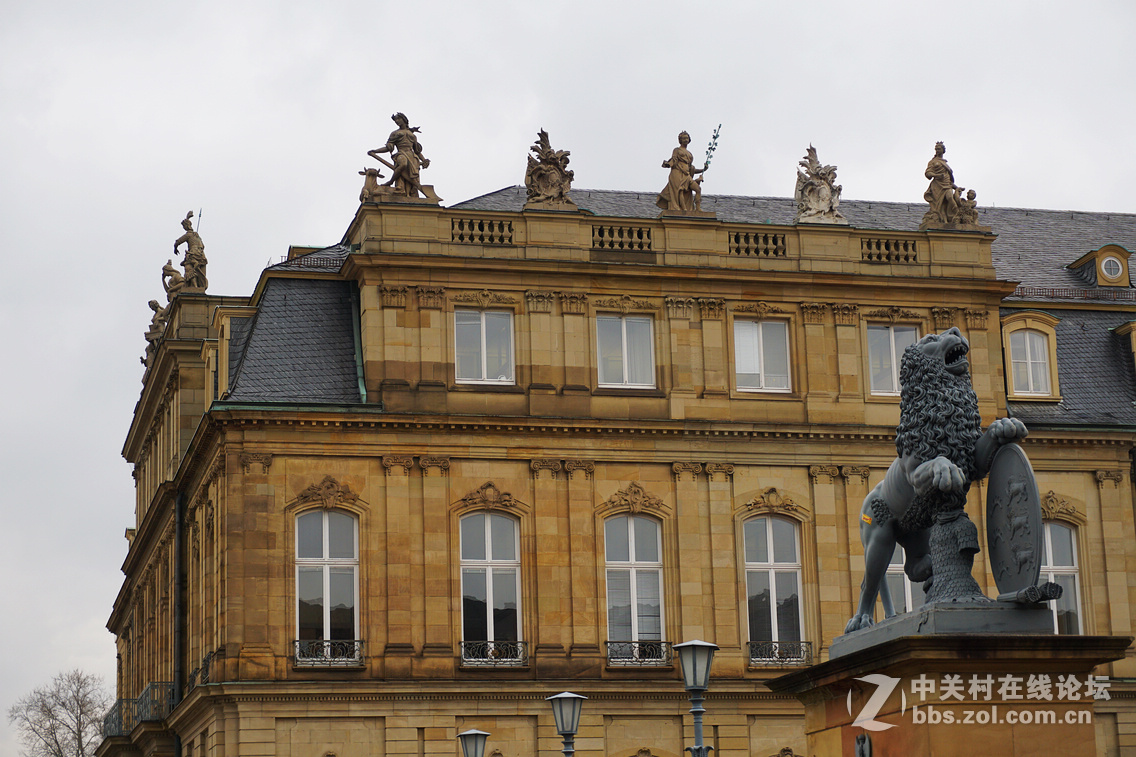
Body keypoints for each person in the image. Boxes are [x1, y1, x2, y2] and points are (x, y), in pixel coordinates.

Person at [369, 112, 430, 198]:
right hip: (401, 153)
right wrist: (375, 151)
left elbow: (417, 151)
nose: (397, 121)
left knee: (412, 179)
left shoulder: (412, 135)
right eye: (395, 120)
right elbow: (388, 147)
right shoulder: (395, 133)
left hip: (413, 157)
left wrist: (424, 160)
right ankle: (391, 182)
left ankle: (409, 194)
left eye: (398, 119)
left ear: (404, 119)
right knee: (403, 164)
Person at [656, 131, 704, 212]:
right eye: (684, 138)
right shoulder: (677, 150)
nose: (686, 140)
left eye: (687, 138)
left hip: (686, 175)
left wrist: (703, 169)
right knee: (679, 191)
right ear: (680, 140)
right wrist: (668, 164)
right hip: (677, 173)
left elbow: (690, 168)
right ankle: (682, 209)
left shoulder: (689, 154)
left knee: (698, 189)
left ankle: (698, 208)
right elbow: (673, 161)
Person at [922, 142, 959, 225]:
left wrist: (956, 188)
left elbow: (949, 179)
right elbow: (928, 173)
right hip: (937, 185)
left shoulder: (945, 163)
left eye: (939, 149)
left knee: (950, 197)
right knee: (940, 204)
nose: (937, 150)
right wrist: (936, 175)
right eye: (936, 149)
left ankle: (957, 213)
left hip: (947, 184)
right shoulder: (932, 162)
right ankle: (944, 221)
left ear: (943, 150)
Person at [174, 212, 208, 289]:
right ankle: (198, 286)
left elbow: (177, 242)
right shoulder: (196, 235)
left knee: (189, 269)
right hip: (201, 254)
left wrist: (175, 248)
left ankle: (194, 286)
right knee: (198, 271)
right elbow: (203, 246)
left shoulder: (188, 235)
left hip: (193, 253)